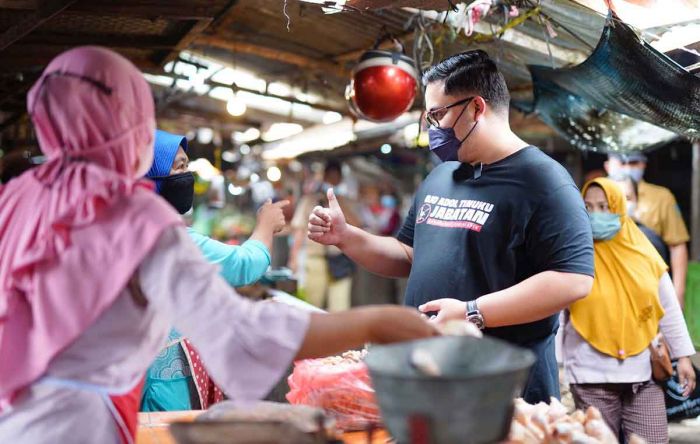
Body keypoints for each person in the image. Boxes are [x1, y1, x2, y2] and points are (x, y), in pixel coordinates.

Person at [0, 47, 436, 444]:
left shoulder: (18, 198)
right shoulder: (138, 217)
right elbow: (240, 334)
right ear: (130, 118)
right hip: (81, 428)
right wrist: (375, 323)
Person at [307, 50, 594, 403]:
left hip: (502, 385)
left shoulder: (544, 181)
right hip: (429, 374)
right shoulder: (443, 175)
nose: (432, 128)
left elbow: (573, 280)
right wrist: (347, 237)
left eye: (438, 115)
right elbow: (409, 254)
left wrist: (473, 312)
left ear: (476, 107)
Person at [140, 129, 289, 412]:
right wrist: (266, 226)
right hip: (163, 381)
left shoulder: (129, 227)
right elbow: (244, 265)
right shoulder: (168, 237)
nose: (186, 175)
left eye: (187, 166)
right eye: (178, 167)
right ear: (150, 172)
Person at [562, 177, 696, 443]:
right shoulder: (574, 255)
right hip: (590, 374)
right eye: (588, 207)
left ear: (619, 208)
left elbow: (667, 309)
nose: (596, 214)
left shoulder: (645, 255)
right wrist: (556, 368)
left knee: (654, 440)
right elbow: (557, 314)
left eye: (604, 206)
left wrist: (683, 357)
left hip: (643, 372)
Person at [605, 152, 689, 306]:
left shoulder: (661, 197)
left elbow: (677, 245)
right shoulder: (596, 196)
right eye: (622, 163)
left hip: (649, 287)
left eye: (633, 162)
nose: (627, 168)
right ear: (608, 165)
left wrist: (678, 295)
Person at [290, 160, 361, 311]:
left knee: (340, 308)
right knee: (311, 306)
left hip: (340, 261)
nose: (332, 181)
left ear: (341, 179)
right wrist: (294, 258)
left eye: (336, 177)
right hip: (315, 259)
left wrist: (341, 204)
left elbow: (358, 225)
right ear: (324, 177)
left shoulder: (346, 201)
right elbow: (299, 230)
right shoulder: (309, 200)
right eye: (330, 177)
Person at [615, 176, 670, 265]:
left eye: (627, 198)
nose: (621, 203)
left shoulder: (648, 241)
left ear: (637, 200)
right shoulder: (589, 239)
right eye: (614, 198)